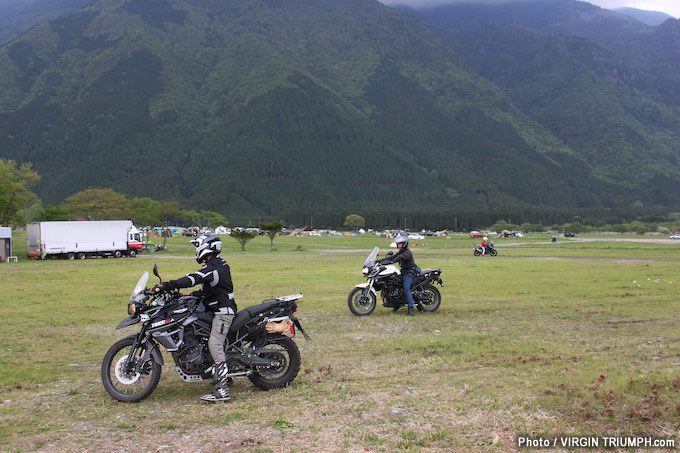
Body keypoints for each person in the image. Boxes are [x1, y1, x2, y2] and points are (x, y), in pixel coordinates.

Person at [152, 234, 236, 402]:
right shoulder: (215, 264)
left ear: (207, 247)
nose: (196, 250)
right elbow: (211, 289)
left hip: (223, 312)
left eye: (197, 246)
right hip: (216, 308)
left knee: (214, 343)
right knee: (202, 336)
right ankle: (215, 371)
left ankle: (222, 389)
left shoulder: (214, 267)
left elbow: (194, 279)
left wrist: (167, 285)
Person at [380, 235, 420, 316]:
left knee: (406, 288)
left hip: (410, 272)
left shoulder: (407, 252)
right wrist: (379, 261)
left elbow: (398, 258)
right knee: (394, 284)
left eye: (400, 244)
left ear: (404, 244)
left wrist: (392, 261)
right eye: (397, 244)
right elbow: (393, 257)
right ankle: (397, 304)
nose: (398, 245)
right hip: (403, 272)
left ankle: (411, 309)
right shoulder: (400, 252)